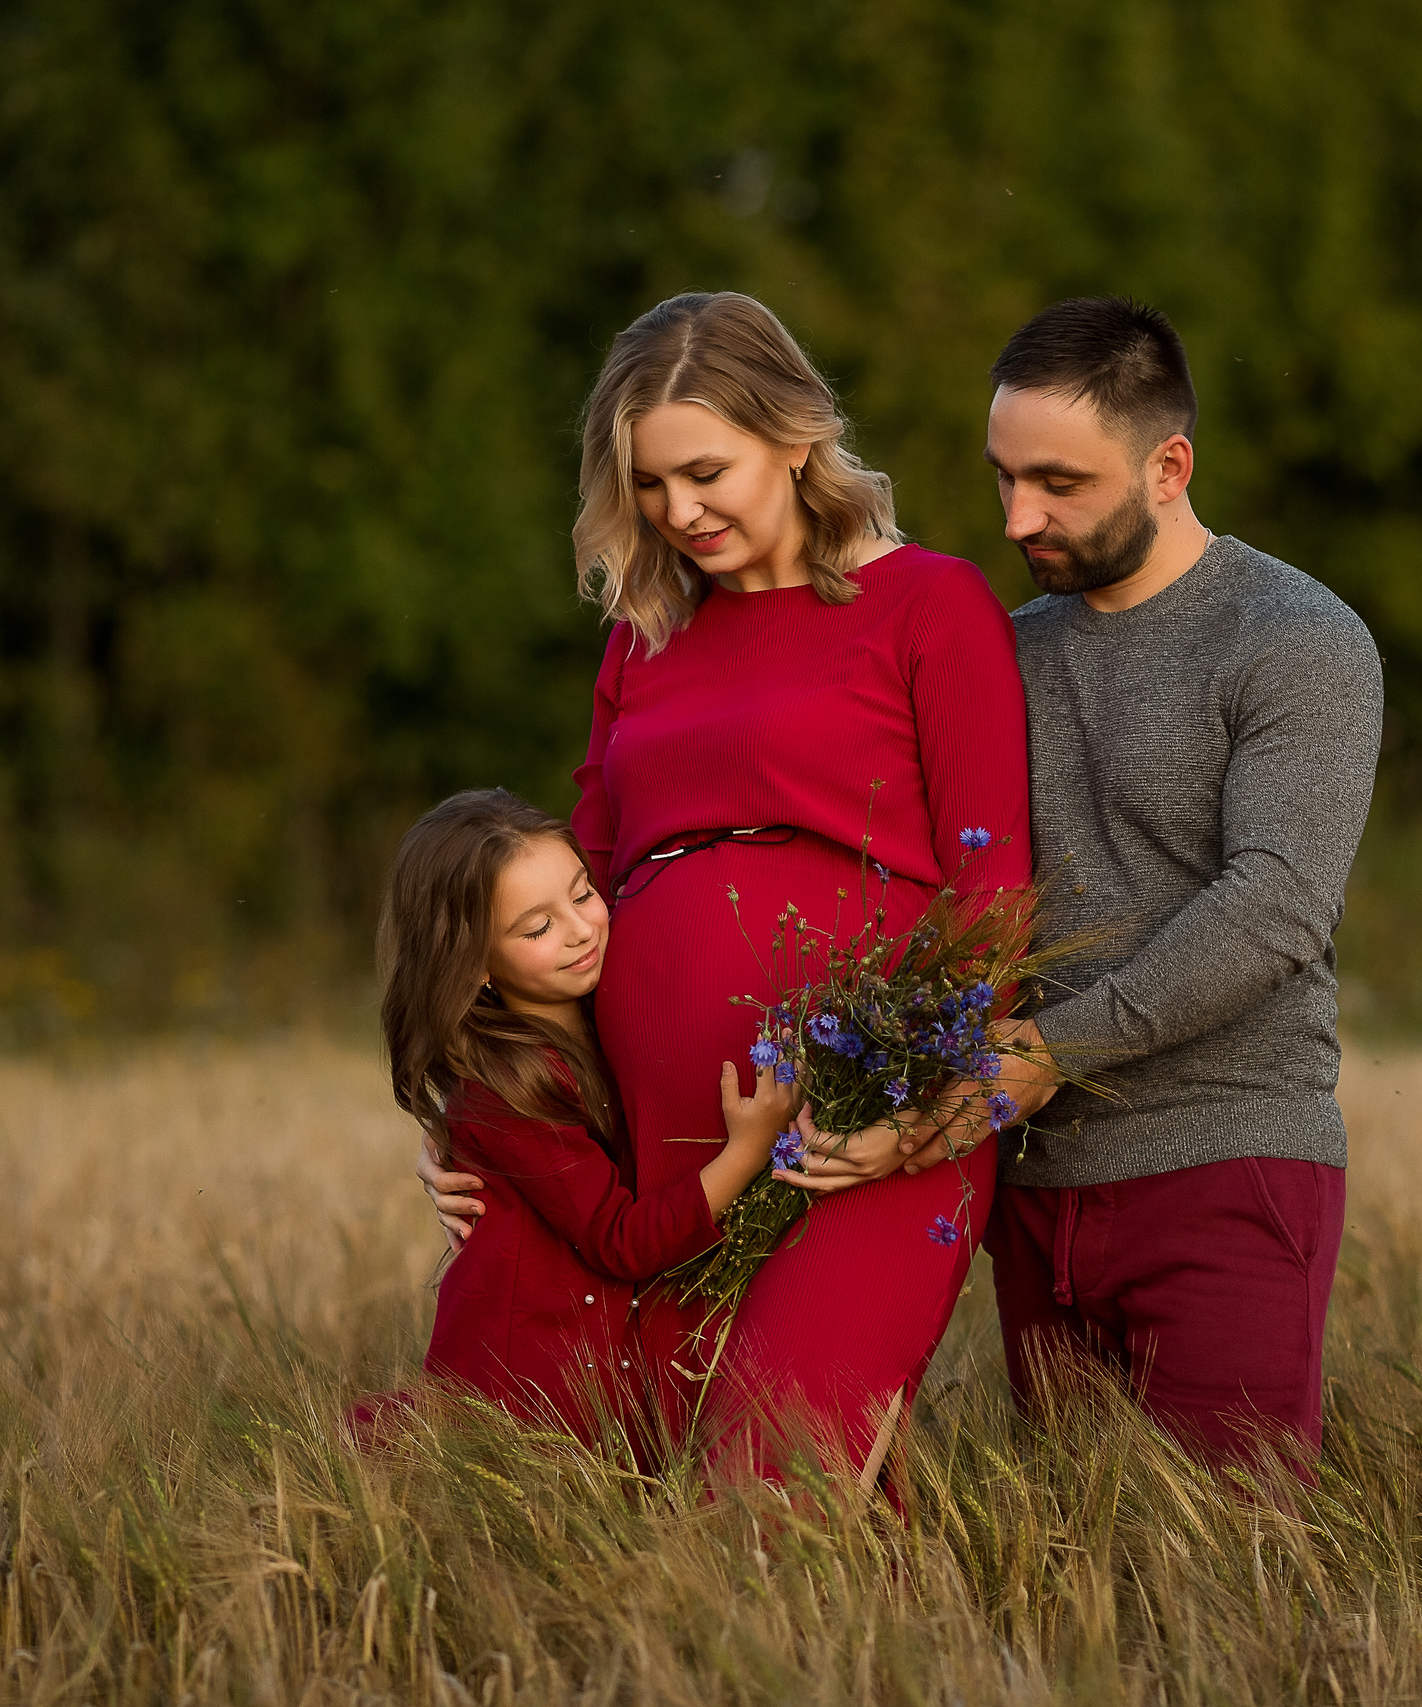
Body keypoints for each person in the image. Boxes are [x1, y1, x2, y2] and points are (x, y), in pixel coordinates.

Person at [419, 293, 1033, 1480]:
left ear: (795, 436)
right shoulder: (644, 637)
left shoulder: (930, 605)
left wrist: (904, 1100)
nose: (676, 512)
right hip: (665, 1142)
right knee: (673, 1464)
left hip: (869, 1113)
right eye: (647, 486)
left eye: (704, 471)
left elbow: (991, 882)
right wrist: (485, 1117)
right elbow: (565, 883)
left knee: (775, 1455)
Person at [893, 297, 1382, 1473]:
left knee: (1230, 1577)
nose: (1018, 516)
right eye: (1004, 477)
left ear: (1169, 466)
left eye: (1058, 482)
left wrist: (1047, 1054)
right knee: (1070, 1568)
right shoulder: (1002, 649)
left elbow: (1274, 903)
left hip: (1227, 1166)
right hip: (1033, 1183)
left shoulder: (1295, 638)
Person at [365, 787, 796, 1445]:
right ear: (475, 964)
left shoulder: (608, 1014)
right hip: (524, 1391)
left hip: (592, 1369)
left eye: (584, 893)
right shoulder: (508, 1092)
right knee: (422, 1463)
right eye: (536, 927)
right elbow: (619, 1239)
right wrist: (747, 1149)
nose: (579, 929)